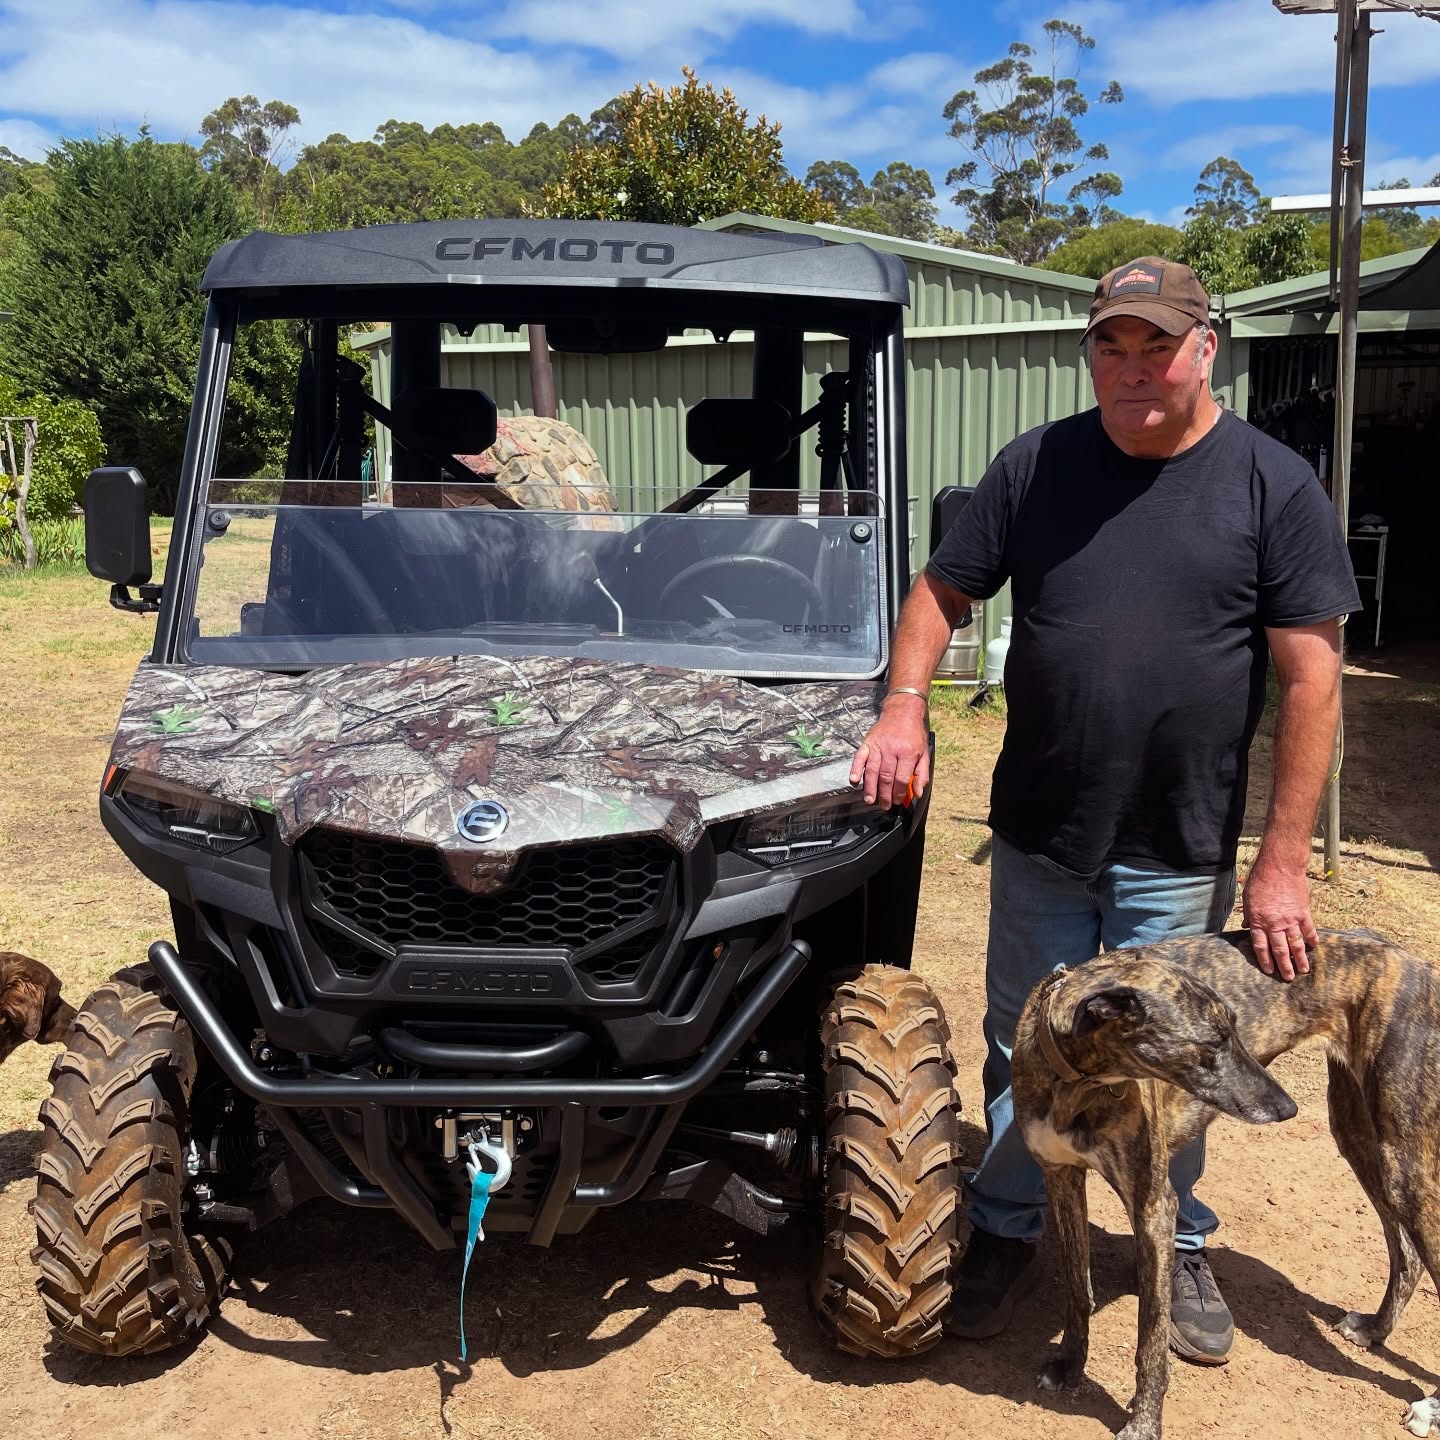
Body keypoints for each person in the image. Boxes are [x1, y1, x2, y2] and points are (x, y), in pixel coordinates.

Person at [848, 256, 1360, 1365]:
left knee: (1165, 1061)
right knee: (1022, 1045)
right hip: (1040, 833)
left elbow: (1314, 677)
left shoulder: (1274, 485)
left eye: (1158, 345)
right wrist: (902, 706)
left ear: (1205, 347)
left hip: (1177, 842)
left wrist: (1280, 866)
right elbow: (944, 588)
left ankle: (1174, 1240)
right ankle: (1006, 1224)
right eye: (1111, 345)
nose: (1132, 369)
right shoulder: (1037, 465)